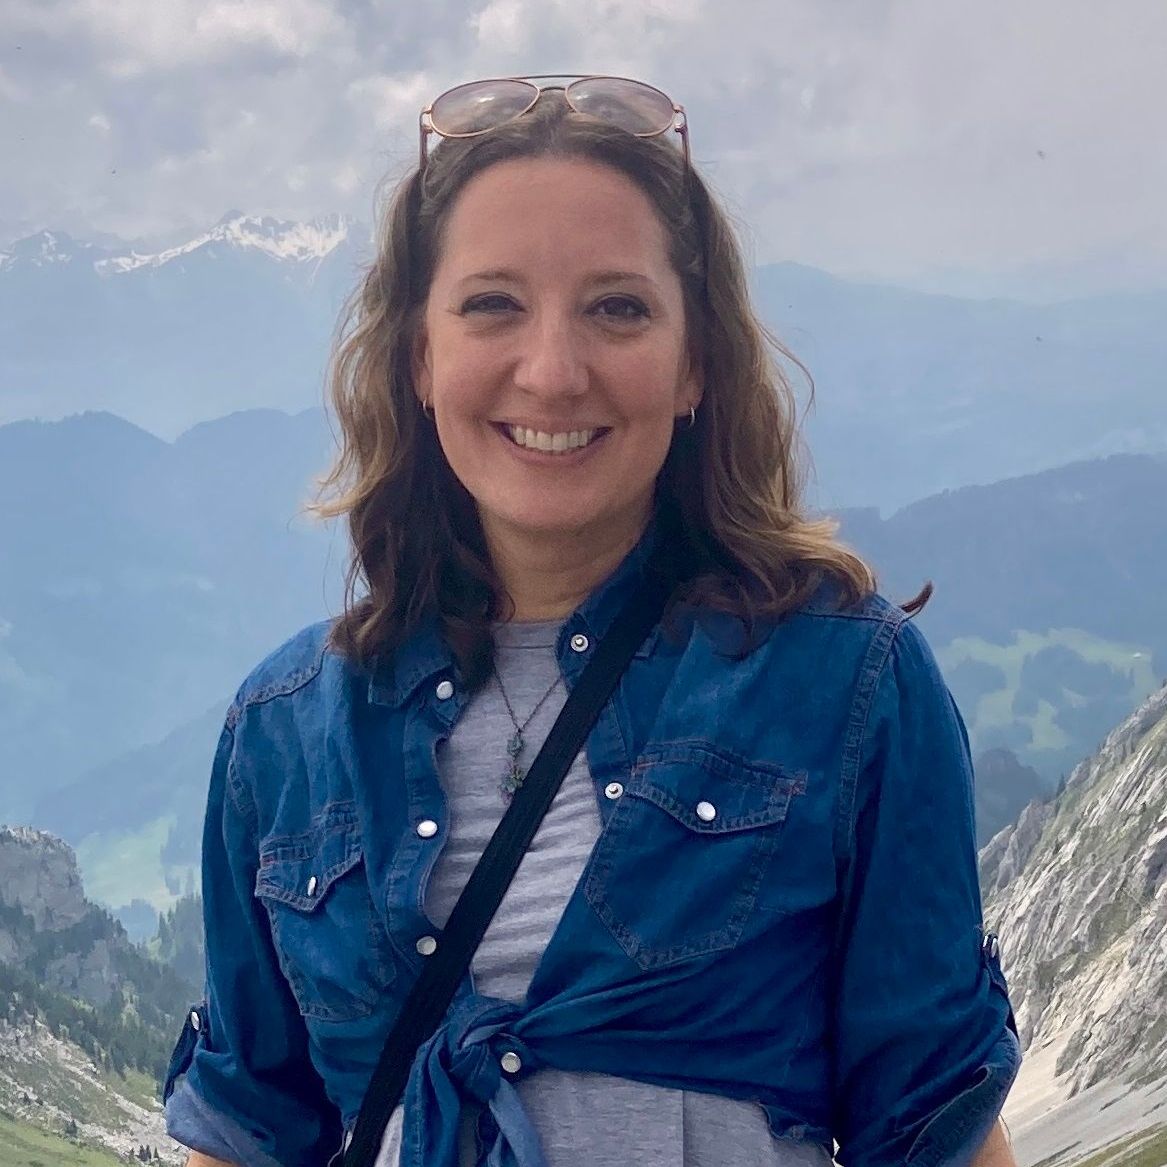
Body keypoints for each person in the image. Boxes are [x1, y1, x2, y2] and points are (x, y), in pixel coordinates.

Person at [163, 75, 1021, 1167]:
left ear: (694, 363)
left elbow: (934, 1121)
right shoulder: (284, 733)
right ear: (420, 359)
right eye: (492, 305)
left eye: (618, 307)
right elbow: (246, 1134)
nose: (554, 371)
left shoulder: (846, 686)